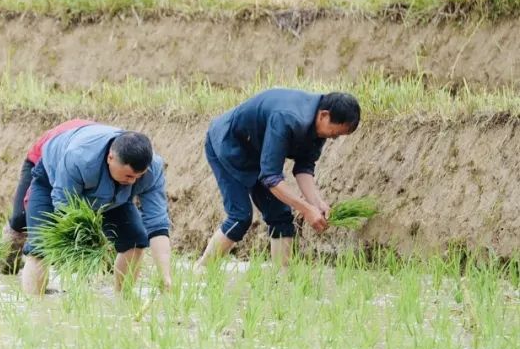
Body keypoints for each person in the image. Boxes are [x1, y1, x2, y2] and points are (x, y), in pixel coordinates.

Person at [196, 89, 361, 267]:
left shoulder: (318, 126)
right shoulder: (287, 118)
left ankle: (281, 283)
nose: (333, 138)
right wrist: (306, 209)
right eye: (334, 133)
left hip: (257, 151)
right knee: (240, 216)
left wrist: (316, 202)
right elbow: (271, 177)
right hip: (228, 145)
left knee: (281, 216)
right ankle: (201, 271)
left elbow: (304, 166)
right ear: (324, 115)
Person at [20, 123, 173, 295]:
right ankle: (34, 309)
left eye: (139, 176)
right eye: (129, 175)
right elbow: (64, 207)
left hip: (113, 197)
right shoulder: (80, 157)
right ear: (111, 158)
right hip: (53, 183)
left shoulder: (152, 170)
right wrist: (88, 245)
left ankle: (123, 300)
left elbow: (158, 223)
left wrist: (165, 277)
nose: (132, 181)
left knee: (135, 240)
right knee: (40, 247)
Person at [0, 118, 94, 273]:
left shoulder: (100, 156)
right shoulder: (73, 148)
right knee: (20, 218)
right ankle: (7, 269)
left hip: (77, 167)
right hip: (40, 161)